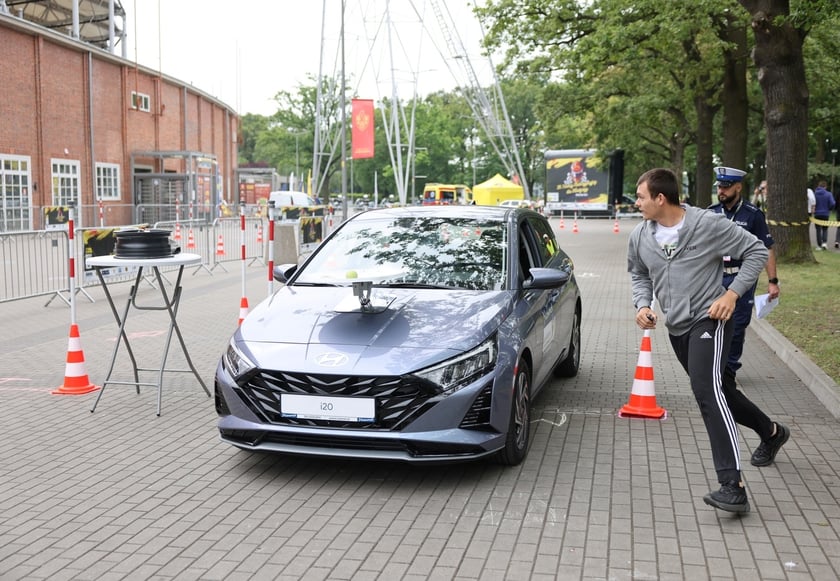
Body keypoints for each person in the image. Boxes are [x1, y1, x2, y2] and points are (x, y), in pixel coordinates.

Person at [628, 168, 789, 514]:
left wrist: (731, 295)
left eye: (640, 197)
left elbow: (757, 252)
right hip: (677, 327)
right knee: (721, 391)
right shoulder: (640, 235)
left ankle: (733, 486)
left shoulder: (706, 225)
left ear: (660, 198)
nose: (636, 202)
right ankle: (772, 432)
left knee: (706, 391)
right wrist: (642, 304)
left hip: (711, 320)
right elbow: (638, 273)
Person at [708, 167, 780, 377]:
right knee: (712, 321)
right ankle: (714, 366)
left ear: (738, 187)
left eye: (726, 187)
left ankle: (729, 370)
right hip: (716, 276)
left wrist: (773, 281)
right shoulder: (711, 212)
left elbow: (766, 249)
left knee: (737, 326)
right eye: (719, 186)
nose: (721, 190)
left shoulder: (753, 215)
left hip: (742, 277)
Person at [812, 180, 835, 250]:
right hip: (825, 214)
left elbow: (812, 202)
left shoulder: (815, 194)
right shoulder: (829, 194)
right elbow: (833, 203)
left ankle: (819, 245)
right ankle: (824, 243)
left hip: (817, 214)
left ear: (819, 186)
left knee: (818, 230)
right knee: (825, 229)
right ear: (825, 187)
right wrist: (830, 209)